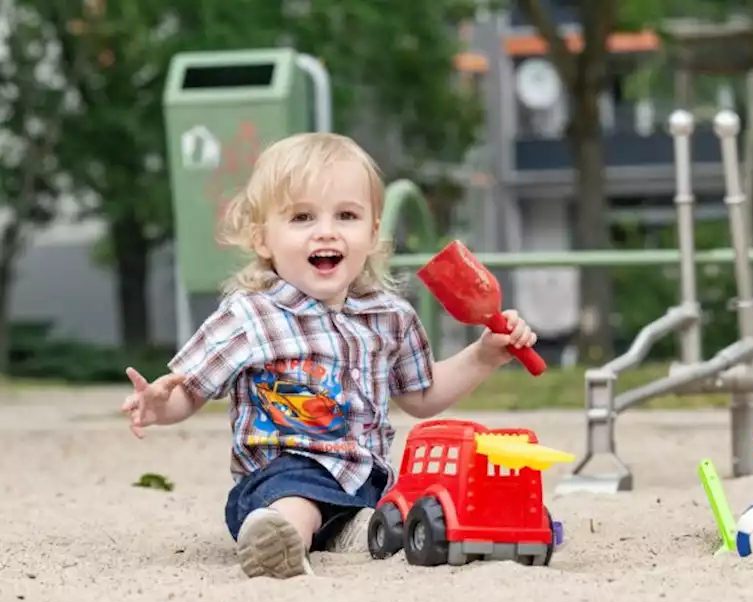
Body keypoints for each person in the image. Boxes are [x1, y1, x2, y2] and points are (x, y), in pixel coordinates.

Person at [118, 132, 538, 579]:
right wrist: (162, 405)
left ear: (373, 232)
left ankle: (354, 533)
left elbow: (422, 395)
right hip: (280, 473)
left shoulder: (389, 316)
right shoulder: (251, 314)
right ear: (263, 239)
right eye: (302, 217)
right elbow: (192, 388)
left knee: (413, 500)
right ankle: (281, 542)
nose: (327, 230)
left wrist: (484, 355)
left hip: (368, 477)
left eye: (347, 215)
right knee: (298, 498)